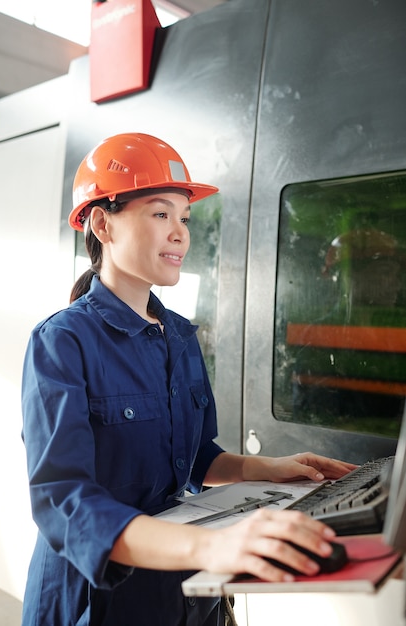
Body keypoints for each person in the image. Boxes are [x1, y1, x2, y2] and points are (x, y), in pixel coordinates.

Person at [21, 133, 357, 626]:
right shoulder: (62, 342)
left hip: (181, 589)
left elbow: (196, 457)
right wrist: (216, 543)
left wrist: (269, 467)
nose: (180, 233)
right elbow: (63, 503)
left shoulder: (177, 335)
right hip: (96, 599)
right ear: (102, 223)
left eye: (184, 218)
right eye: (160, 214)